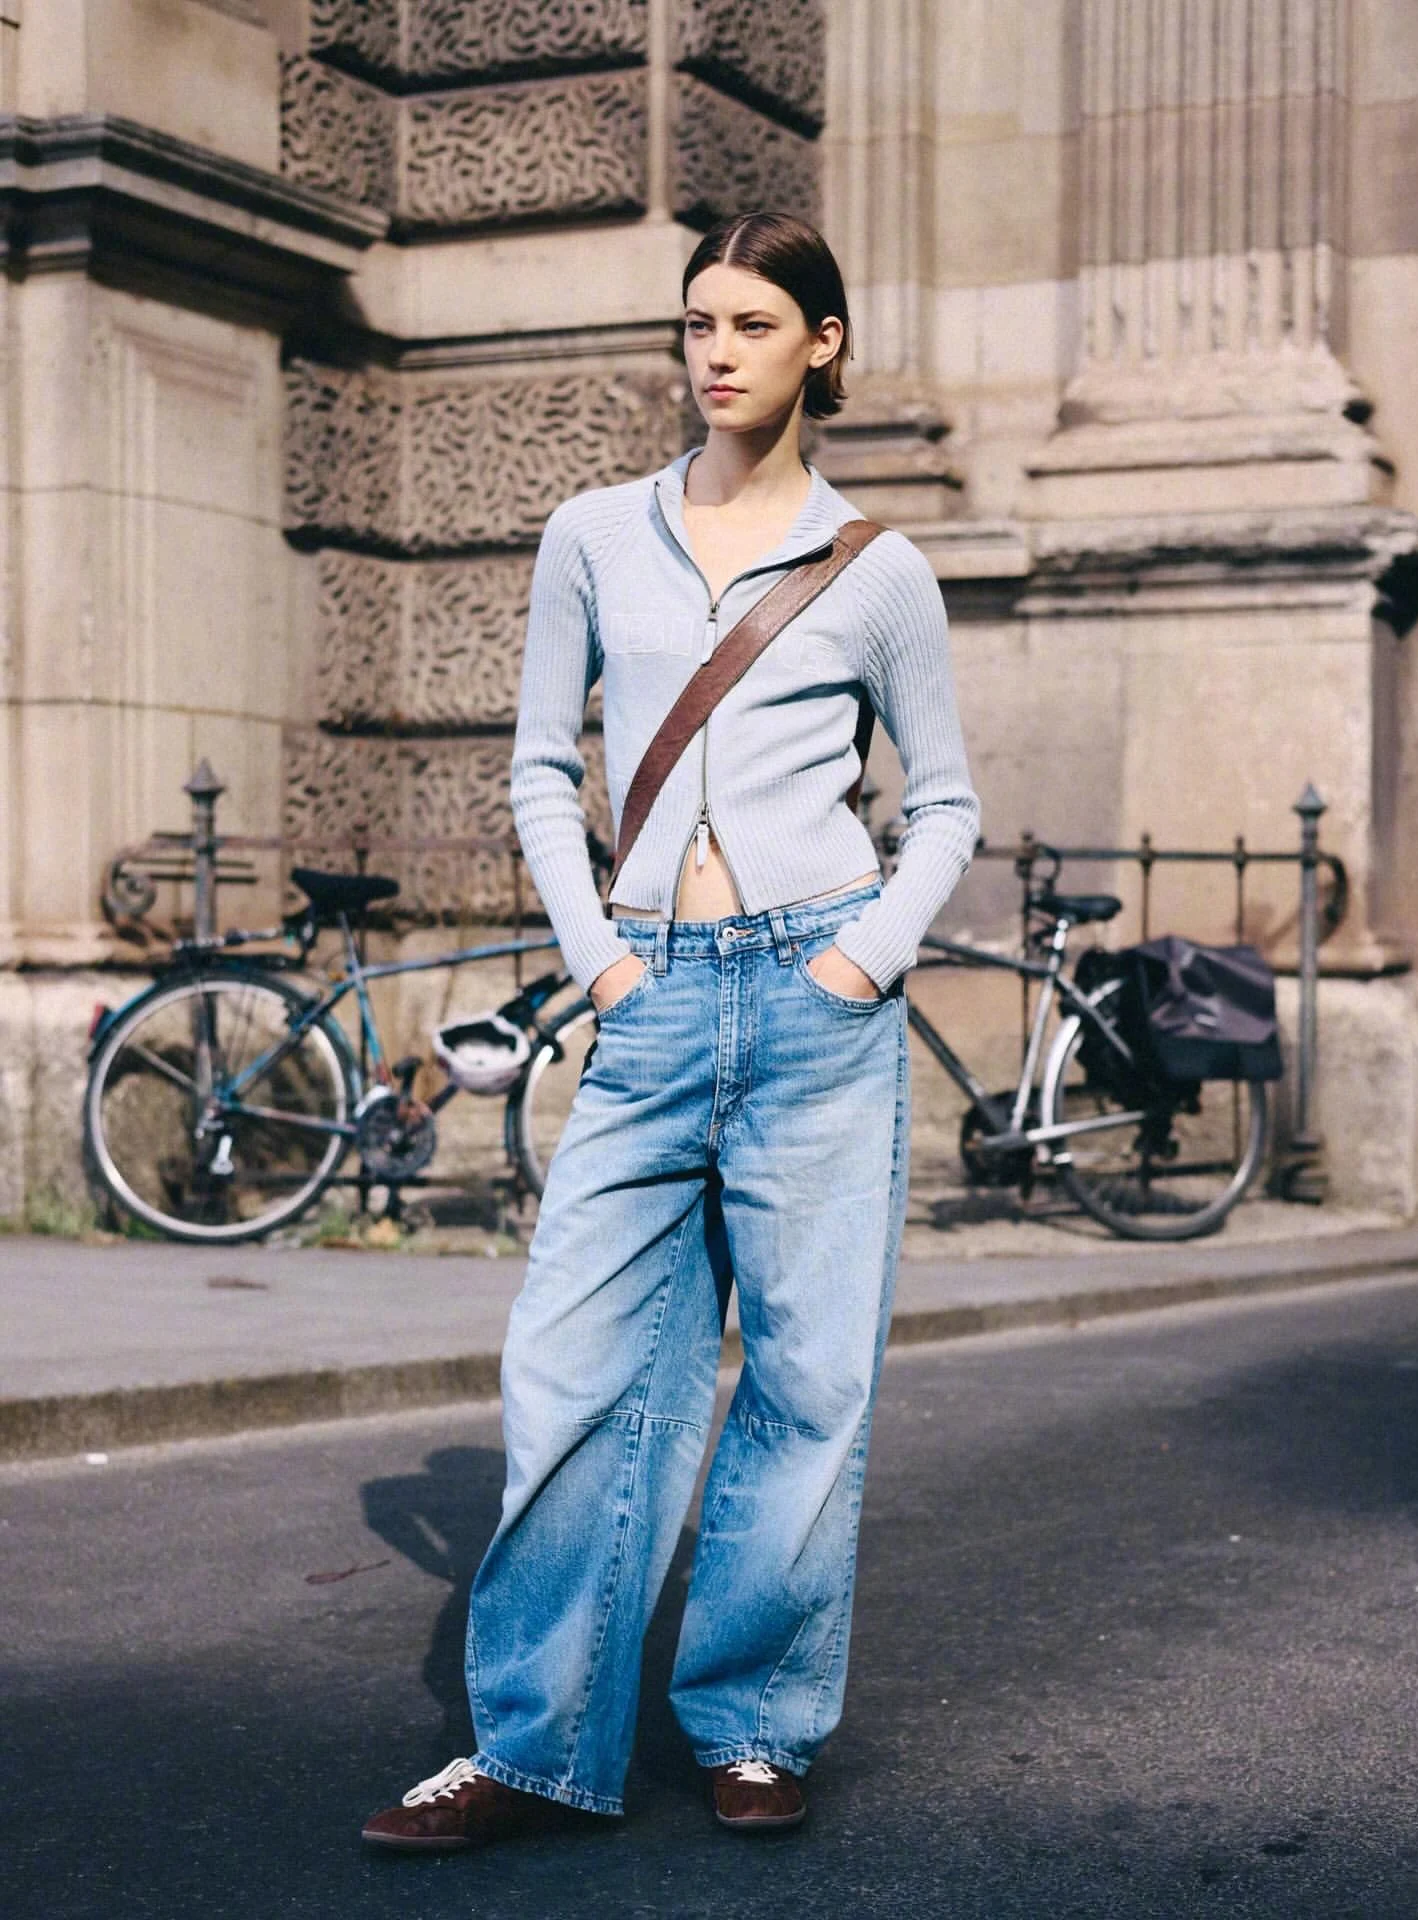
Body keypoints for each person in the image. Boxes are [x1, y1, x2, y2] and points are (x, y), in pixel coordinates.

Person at [362, 209, 980, 1852]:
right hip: (647, 989)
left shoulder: (879, 570)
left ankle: (756, 1721)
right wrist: (604, 963)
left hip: (814, 998)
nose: (716, 350)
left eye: (755, 323)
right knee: (571, 1369)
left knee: (802, 1379)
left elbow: (949, 805)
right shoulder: (592, 535)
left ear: (821, 346)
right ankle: (534, 1747)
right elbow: (539, 774)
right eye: (698, 320)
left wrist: (863, 959)